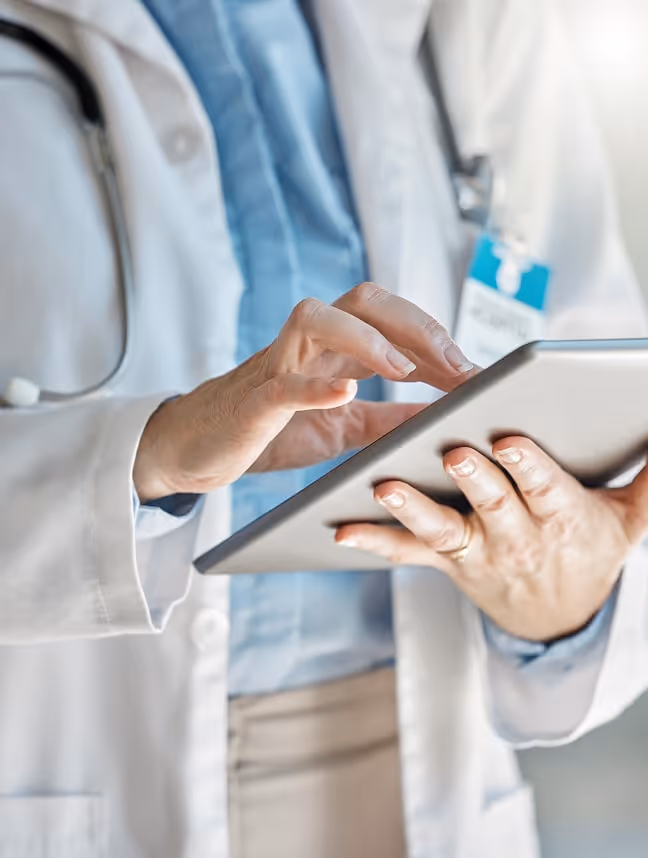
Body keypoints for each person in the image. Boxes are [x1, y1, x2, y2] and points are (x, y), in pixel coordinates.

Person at [1, 1, 648, 857]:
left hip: (432, 768)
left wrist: (560, 600)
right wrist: (150, 456)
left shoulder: (478, 20)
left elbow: (591, 369)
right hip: (88, 764)